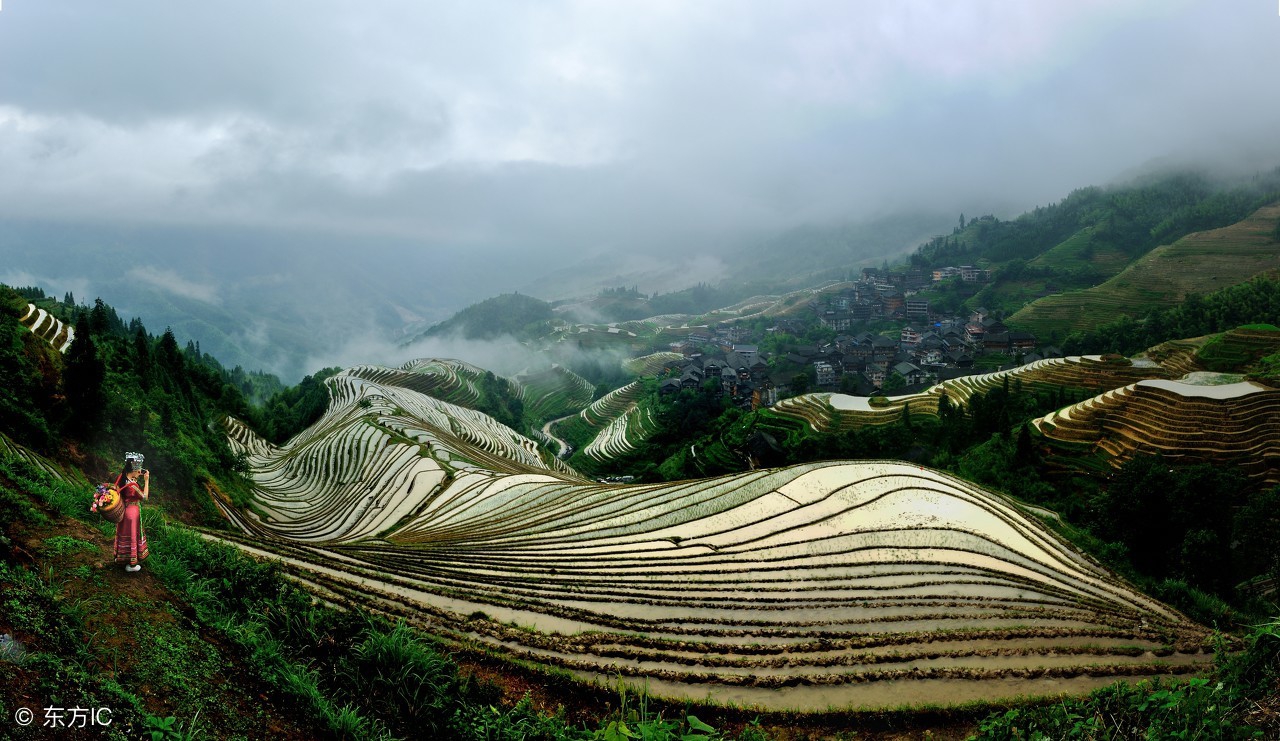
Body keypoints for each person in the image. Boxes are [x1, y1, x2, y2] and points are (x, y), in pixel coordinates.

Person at [114, 456, 150, 572]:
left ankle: (120, 557)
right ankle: (132, 564)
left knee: (124, 534)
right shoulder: (133, 485)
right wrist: (146, 480)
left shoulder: (122, 479)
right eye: (139, 469)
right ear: (134, 470)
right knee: (133, 536)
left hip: (124, 511)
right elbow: (144, 497)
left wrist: (135, 477)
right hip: (132, 513)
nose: (140, 471)